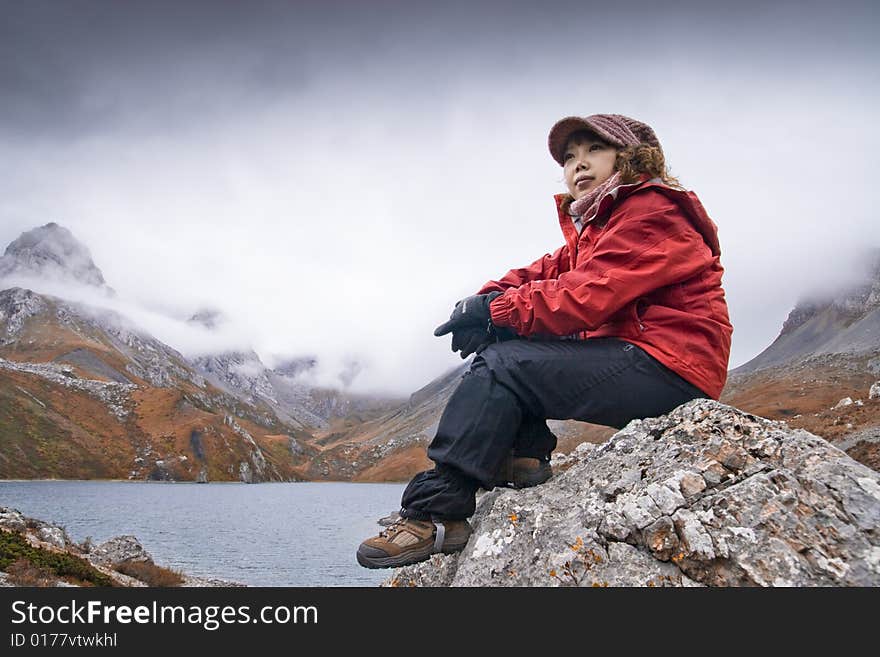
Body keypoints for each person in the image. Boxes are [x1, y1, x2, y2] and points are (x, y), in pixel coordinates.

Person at [356, 113, 733, 569]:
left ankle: (439, 513)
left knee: (504, 364)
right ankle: (522, 457)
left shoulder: (652, 212)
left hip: (669, 365)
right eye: (570, 157)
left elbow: (584, 296)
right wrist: (484, 303)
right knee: (504, 347)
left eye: (594, 149)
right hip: (646, 358)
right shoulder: (598, 225)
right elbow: (542, 273)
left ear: (630, 157)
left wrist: (493, 313)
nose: (579, 165)